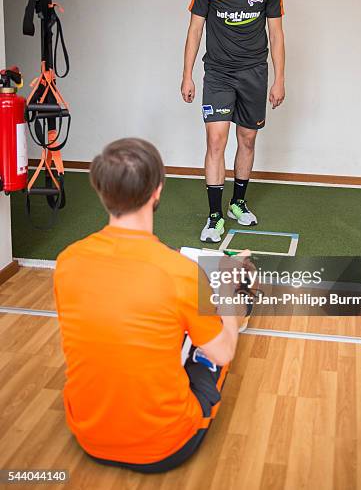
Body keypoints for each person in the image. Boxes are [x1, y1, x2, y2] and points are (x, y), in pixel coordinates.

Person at [54, 138, 247, 473]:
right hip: (164, 446)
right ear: (157, 191)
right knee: (214, 353)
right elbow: (223, 352)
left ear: (100, 190)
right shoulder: (180, 272)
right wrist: (228, 292)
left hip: (88, 436)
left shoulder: (67, 260)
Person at [181, 0, 286, 243]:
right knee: (216, 141)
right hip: (218, 73)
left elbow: (277, 34)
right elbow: (195, 28)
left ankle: (238, 203)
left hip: (255, 72)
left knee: (248, 140)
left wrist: (279, 78)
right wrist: (187, 75)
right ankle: (214, 216)